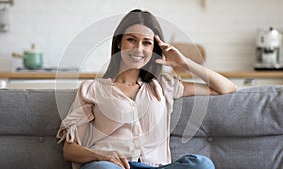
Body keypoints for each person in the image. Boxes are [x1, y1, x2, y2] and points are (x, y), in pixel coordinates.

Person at [56, 9, 237, 169]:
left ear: (154, 49)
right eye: (131, 40)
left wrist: (184, 63)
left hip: (156, 167)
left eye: (147, 43)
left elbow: (227, 88)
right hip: (110, 166)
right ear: (119, 43)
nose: (138, 49)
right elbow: (69, 150)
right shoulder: (92, 90)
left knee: (202, 164)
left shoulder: (164, 85)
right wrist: (101, 156)